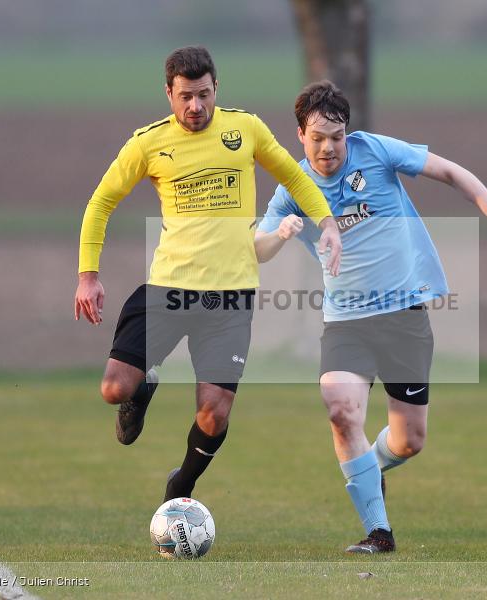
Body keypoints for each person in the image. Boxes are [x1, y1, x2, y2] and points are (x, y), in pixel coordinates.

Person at [255, 81, 487, 553]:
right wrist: (281, 233)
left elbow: (450, 171)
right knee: (341, 411)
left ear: (349, 133)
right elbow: (257, 250)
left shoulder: (376, 151)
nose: (329, 147)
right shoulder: (292, 187)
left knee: (409, 441)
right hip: (345, 322)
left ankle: (368, 465)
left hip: (404, 314)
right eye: (318, 137)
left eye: (337, 136)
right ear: (300, 135)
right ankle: (379, 532)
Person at [74, 47, 341, 503]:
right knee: (114, 389)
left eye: (203, 95)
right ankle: (142, 393)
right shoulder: (148, 142)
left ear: (217, 87)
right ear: (169, 94)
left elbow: (295, 180)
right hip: (169, 289)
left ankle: (182, 485)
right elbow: (101, 202)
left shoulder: (246, 129)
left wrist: (328, 223)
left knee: (214, 414)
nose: (195, 106)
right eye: (185, 97)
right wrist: (88, 275)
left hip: (230, 299)